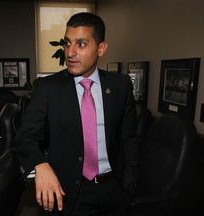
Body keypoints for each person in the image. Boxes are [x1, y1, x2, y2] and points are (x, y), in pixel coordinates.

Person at [15, 12, 139, 216]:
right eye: (67, 43)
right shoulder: (48, 88)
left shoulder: (120, 85)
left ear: (101, 48)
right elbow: (26, 137)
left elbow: (129, 137)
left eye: (81, 44)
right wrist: (40, 164)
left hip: (115, 190)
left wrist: (129, 183)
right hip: (69, 194)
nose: (70, 52)